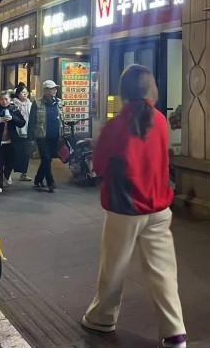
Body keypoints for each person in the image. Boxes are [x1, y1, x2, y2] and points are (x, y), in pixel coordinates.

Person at [82, 65, 186, 348]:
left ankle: (102, 318)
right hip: (159, 208)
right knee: (163, 272)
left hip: (124, 208)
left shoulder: (116, 125)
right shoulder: (160, 120)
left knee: (114, 267)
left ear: (124, 90)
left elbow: (99, 165)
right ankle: (175, 332)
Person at [28, 79, 63, 192]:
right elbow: (32, 121)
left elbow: (62, 119)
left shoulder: (59, 102)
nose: (54, 90)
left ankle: (38, 179)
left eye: (55, 88)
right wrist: (31, 137)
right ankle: (50, 182)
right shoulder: (37, 103)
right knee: (46, 158)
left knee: (47, 159)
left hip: (55, 136)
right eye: (51, 89)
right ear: (45, 90)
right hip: (41, 136)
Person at [11, 83, 33, 182]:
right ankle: (7, 173)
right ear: (18, 94)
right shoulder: (13, 104)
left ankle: (24, 174)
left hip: (27, 131)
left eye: (26, 92)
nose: (25, 94)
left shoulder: (30, 104)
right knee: (14, 153)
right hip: (16, 132)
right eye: (23, 92)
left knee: (26, 153)